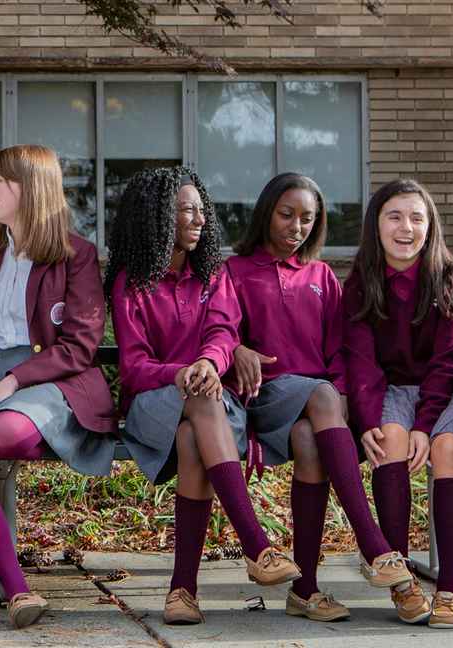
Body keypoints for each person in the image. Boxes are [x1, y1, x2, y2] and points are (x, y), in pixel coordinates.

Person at [105, 167, 302, 626]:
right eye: (185, 211)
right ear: (158, 216)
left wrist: (210, 363)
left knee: (194, 435)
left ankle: (183, 592)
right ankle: (255, 544)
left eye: (201, 210)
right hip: (152, 405)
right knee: (198, 399)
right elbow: (134, 367)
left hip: (211, 406)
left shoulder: (213, 274)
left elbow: (223, 331)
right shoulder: (132, 284)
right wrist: (183, 372)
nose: (198, 219)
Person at [222, 172, 413, 623]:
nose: (297, 227)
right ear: (267, 214)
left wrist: (341, 391)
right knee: (322, 394)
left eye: (307, 219)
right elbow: (219, 330)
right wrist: (237, 349)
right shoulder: (235, 271)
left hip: (315, 405)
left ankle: (304, 589)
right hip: (265, 397)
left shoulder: (322, 276)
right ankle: (373, 545)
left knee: (311, 441)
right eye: (286, 215)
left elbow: (337, 350)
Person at [0, 144, 115, 629]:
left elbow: (80, 345)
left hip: (54, 377)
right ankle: (18, 590)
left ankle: (38, 428)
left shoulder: (76, 255)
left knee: (4, 433)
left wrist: (13, 382)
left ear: (30, 188)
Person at [340, 178, 453, 628]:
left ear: (430, 226)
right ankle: (401, 580)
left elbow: (449, 364)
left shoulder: (452, 282)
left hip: (449, 390)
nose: (406, 228)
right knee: (389, 440)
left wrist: (425, 424)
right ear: (376, 225)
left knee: (447, 448)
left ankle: (450, 588)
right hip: (392, 389)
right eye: (395, 217)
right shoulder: (362, 285)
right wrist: (367, 419)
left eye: (416, 218)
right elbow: (361, 361)